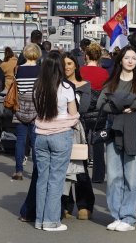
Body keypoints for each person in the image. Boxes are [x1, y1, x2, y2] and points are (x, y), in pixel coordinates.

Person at [97, 46, 136, 232]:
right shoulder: (111, 83)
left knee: (132, 175)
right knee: (113, 175)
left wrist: (116, 101)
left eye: (134, 58)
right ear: (120, 60)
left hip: (133, 128)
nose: (131, 61)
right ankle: (116, 215)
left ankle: (128, 217)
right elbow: (102, 104)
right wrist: (123, 105)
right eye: (127, 57)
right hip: (113, 128)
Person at [33, 51, 78, 232]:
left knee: (42, 179)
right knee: (56, 179)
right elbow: (74, 114)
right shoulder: (66, 88)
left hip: (41, 136)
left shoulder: (38, 87)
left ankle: (39, 220)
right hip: (61, 135)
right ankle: (51, 221)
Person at [62, 52, 95, 221]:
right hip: (60, 130)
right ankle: (65, 204)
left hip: (79, 131)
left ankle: (85, 205)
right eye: (64, 64)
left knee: (81, 169)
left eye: (69, 63)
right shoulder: (58, 84)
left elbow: (83, 108)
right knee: (63, 170)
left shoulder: (85, 85)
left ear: (76, 65)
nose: (67, 67)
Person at [80, 42, 110, 183]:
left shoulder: (80, 71)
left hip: (83, 110)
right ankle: (98, 175)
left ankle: (82, 172)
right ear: (99, 57)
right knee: (98, 143)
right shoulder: (104, 73)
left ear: (86, 56)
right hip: (99, 111)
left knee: (82, 142)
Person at [13, 43, 42, 181]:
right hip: (36, 108)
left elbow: (16, 88)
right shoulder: (40, 70)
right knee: (36, 141)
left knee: (20, 140)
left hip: (20, 107)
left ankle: (18, 170)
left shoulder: (18, 70)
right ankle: (36, 170)